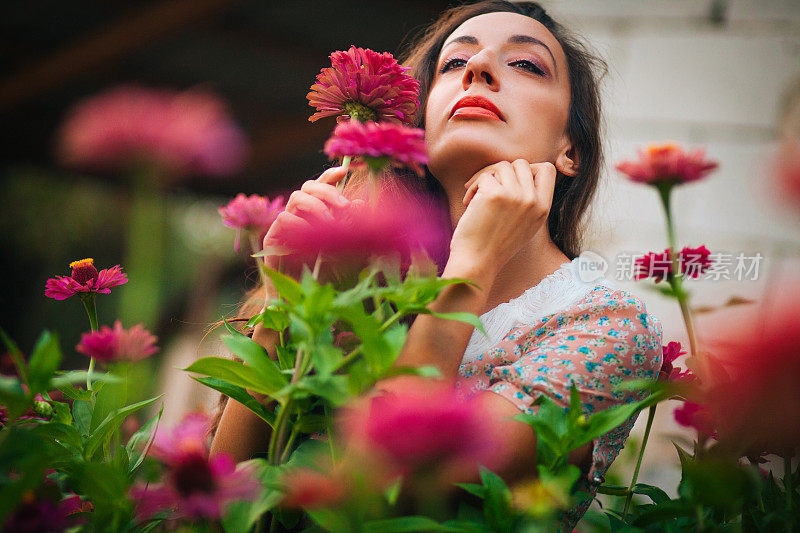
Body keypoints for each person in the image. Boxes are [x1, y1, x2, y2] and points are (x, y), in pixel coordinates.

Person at [211, 1, 663, 528]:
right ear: (419, 120)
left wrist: (473, 263)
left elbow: (384, 494)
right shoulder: (357, 289)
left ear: (571, 151)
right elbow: (218, 504)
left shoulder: (605, 325)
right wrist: (283, 310)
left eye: (526, 65)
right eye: (454, 63)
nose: (478, 69)